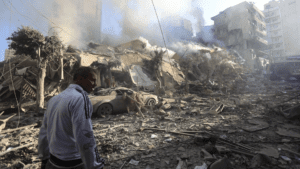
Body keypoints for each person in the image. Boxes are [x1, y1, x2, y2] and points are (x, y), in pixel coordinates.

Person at [38, 67, 105, 169]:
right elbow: (84, 136)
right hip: (73, 163)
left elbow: (44, 133)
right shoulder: (81, 98)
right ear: (79, 79)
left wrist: (44, 159)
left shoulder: (54, 100)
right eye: (92, 80)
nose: (95, 84)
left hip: (53, 161)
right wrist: (94, 165)